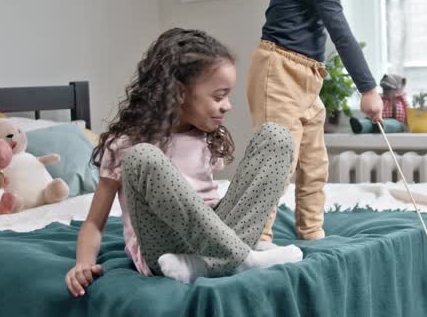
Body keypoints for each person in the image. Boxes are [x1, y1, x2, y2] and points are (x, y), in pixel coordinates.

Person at [65, 28, 303, 296]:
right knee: (144, 157)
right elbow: (94, 223)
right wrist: (83, 263)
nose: (227, 106)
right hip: (164, 251)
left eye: (227, 96)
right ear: (179, 93)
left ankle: (209, 262)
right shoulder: (124, 144)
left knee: (277, 136)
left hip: (217, 233)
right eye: (218, 96)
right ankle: (243, 257)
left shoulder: (205, 136)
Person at [247, 0, 384, 242]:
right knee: (278, 160)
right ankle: (257, 240)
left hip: (308, 76)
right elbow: (341, 33)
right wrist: (368, 88)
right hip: (279, 72)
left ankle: (311, 232)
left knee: (314, 162)